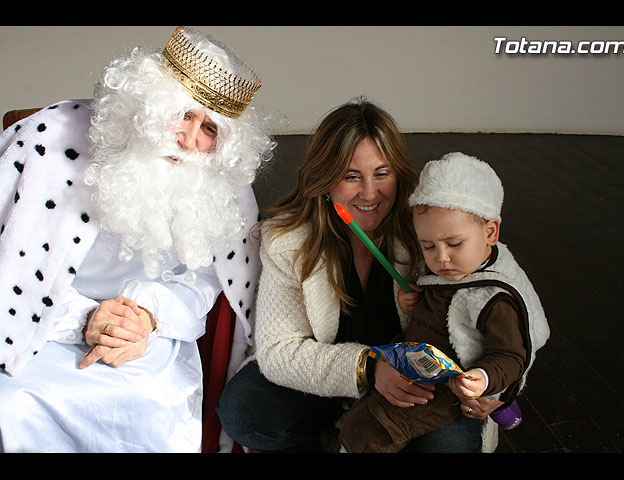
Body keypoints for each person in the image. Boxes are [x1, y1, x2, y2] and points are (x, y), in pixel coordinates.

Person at [0, 26, 276, 452]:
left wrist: (146, 314)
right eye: (183, 113)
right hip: (38, 328)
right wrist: (81, 318)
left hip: (145, 338)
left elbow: (205, 282)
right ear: (147, 102)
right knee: (13, 405)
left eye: (210, 128)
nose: (189, 139)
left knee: (153, 407)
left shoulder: (218, 181)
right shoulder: (48, 140)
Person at [217, 99, 503, 453]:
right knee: (244, 410)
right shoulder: (286, 241)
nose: (370, 194)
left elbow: (502, 311)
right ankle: (340, 433)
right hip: (327, 382)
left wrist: (496, 387)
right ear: (324, 181)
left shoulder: (433, 231)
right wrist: (368, 369)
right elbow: (278, 351)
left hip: (417, 390)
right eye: (351, 176)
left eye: (382, 174)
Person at [337, 152, 551, 453]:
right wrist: (414, 302)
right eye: (428, 246)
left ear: (490, 232)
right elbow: (444, 304)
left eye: (454, 244)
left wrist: (484, 377)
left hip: (451, 389)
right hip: (418, 364)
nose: (442, 258)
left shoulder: (496, 298)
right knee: (363, 418)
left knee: (381, 428)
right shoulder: (454, 268)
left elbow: (512, 355)